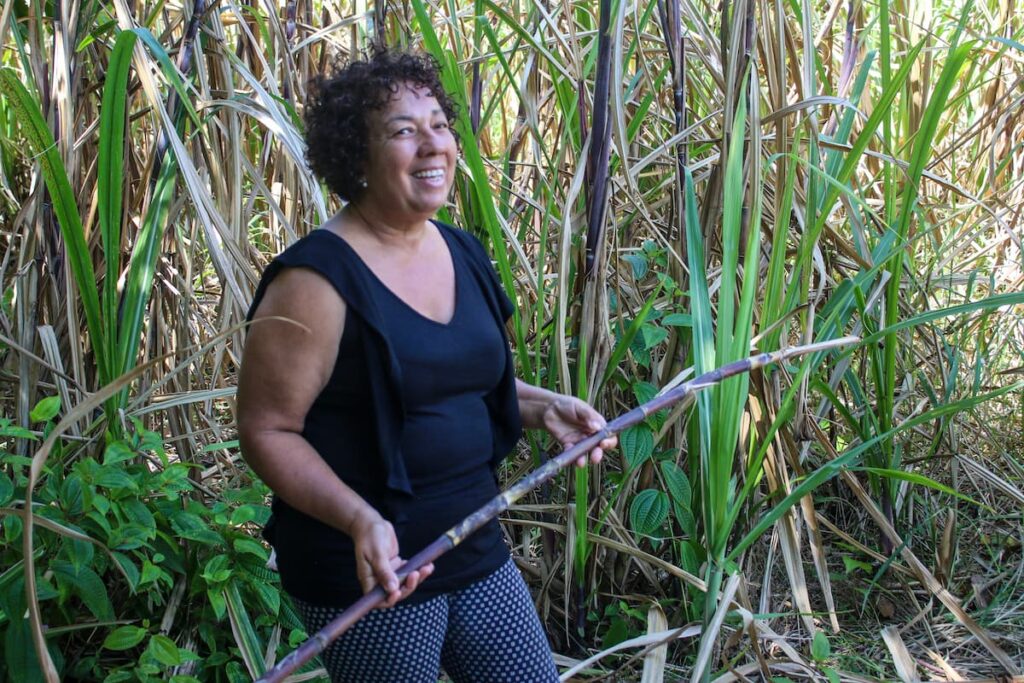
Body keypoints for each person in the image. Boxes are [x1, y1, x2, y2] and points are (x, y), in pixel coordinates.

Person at [237, 49, 617, 683]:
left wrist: (546, 406)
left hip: (470, 536)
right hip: (368, 568)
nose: (431, 145)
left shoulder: (462, 248)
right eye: (402, 131)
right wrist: (360, 519)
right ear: (356, 157)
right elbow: (266, 430)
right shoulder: (315, 282)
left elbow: (455, 385)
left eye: (438, 124)